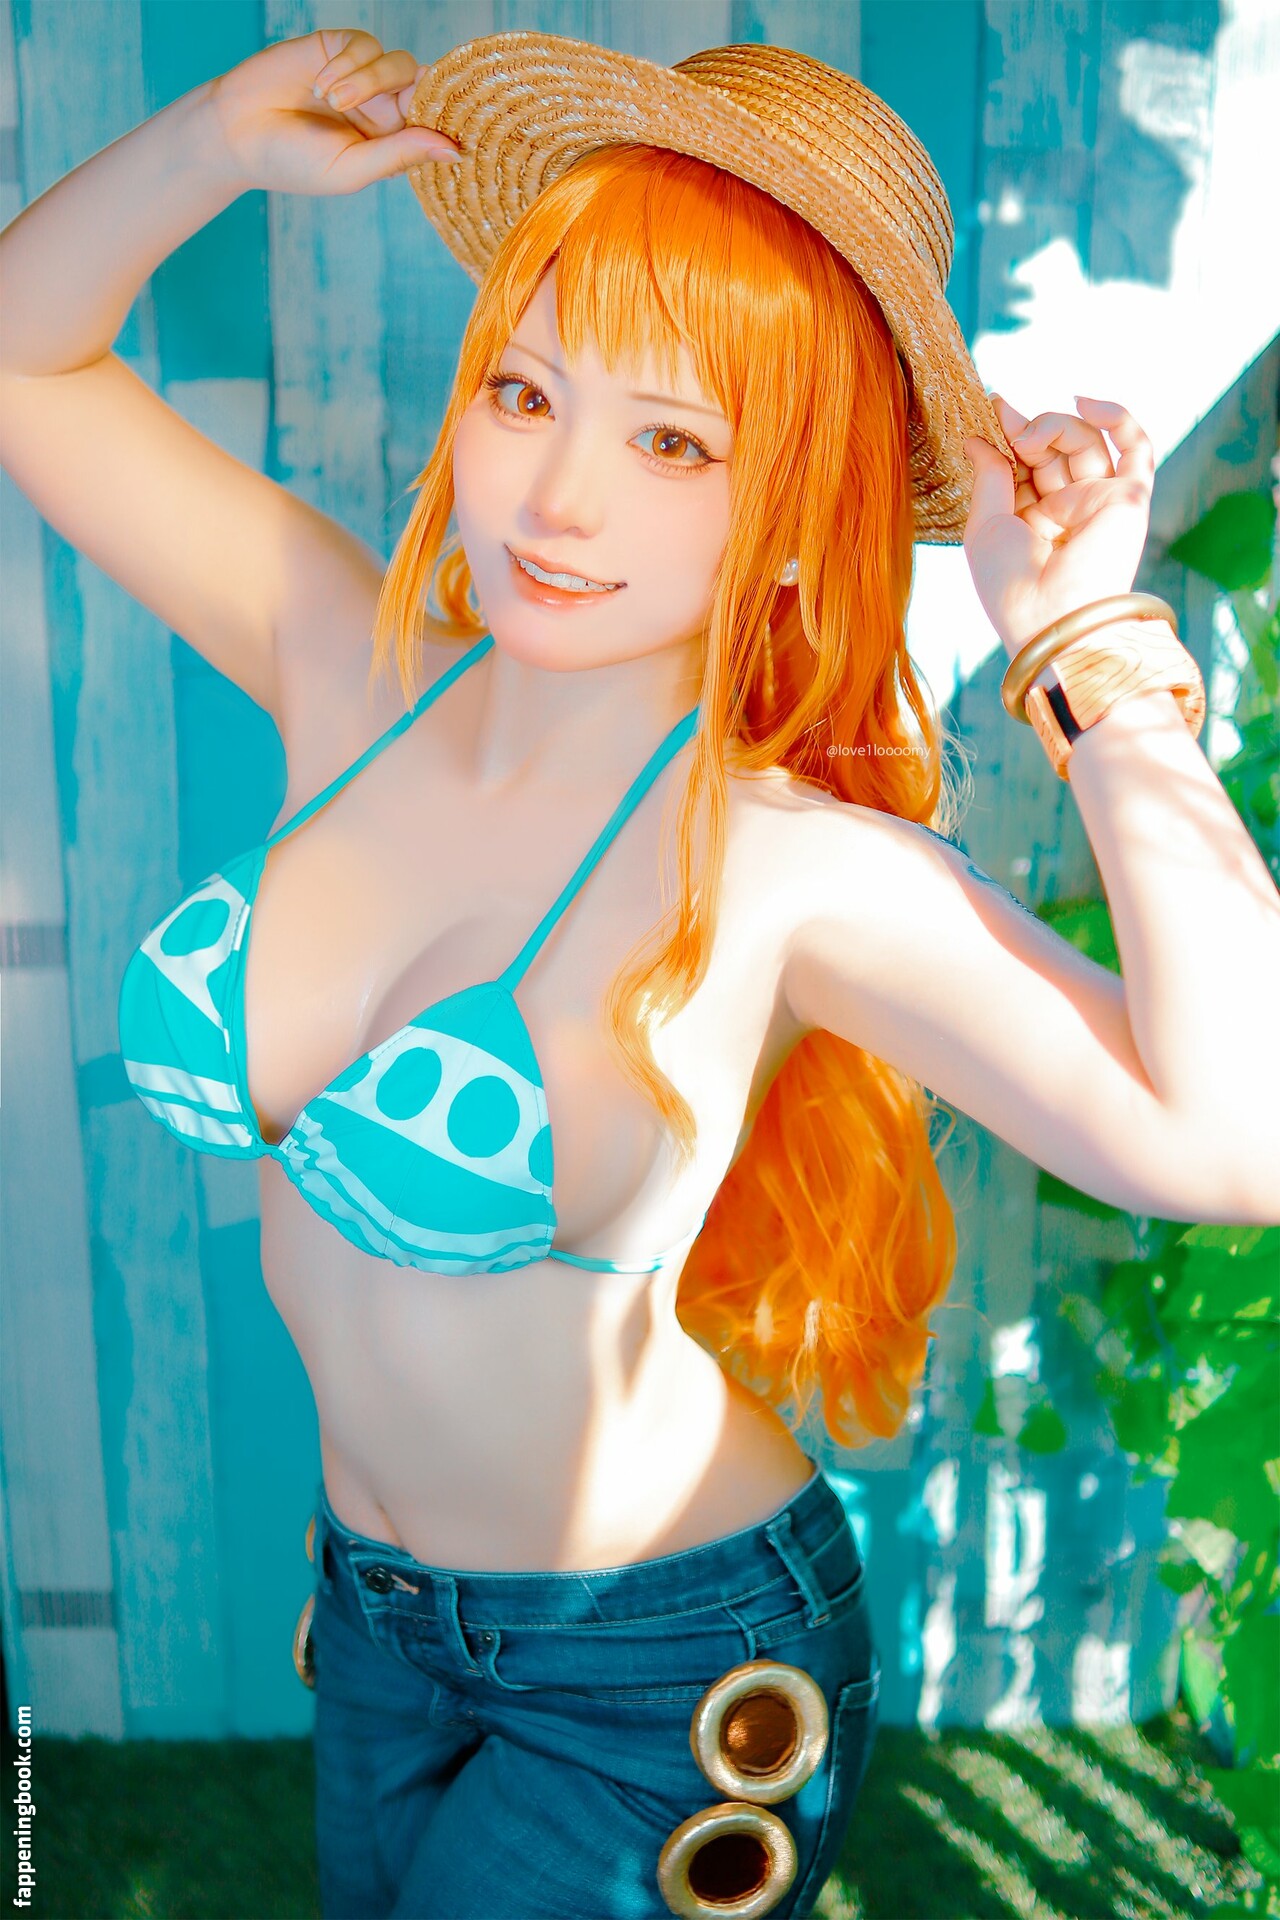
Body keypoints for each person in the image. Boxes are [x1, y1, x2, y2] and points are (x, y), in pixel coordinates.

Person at [2, 23, 1277, 1920]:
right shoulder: (348, 667)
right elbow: (27, 360)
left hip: (659, 1669)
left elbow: (1238, 1143)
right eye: (526, 392)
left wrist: (1084, 637)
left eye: (673, 441)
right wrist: (205, 146)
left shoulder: (788, 868)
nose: (557, 497)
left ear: (797, 521)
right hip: (371, 1613)